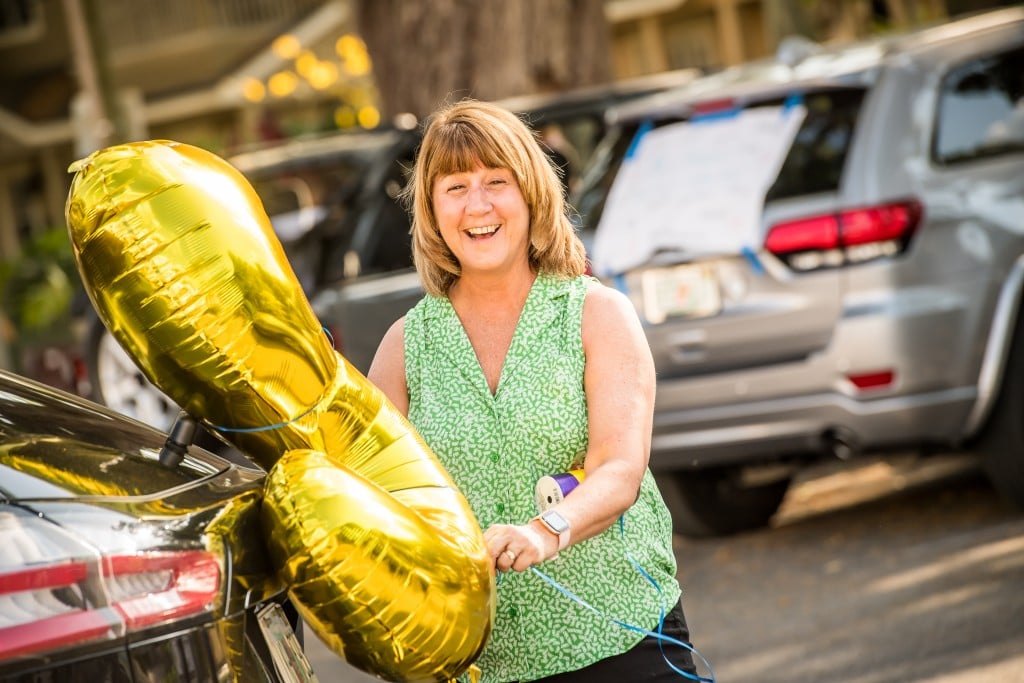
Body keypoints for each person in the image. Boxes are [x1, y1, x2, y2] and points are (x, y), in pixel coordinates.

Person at [368, 99, 701, 683]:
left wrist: (542, 533)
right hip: (483, 664)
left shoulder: (596, 314)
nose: (478, 205)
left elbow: (618, 470)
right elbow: (372, 499)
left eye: (497, 181)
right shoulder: (404, 347)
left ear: (530, 195)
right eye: (455, 186)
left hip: (620, 641)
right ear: (431, 208)